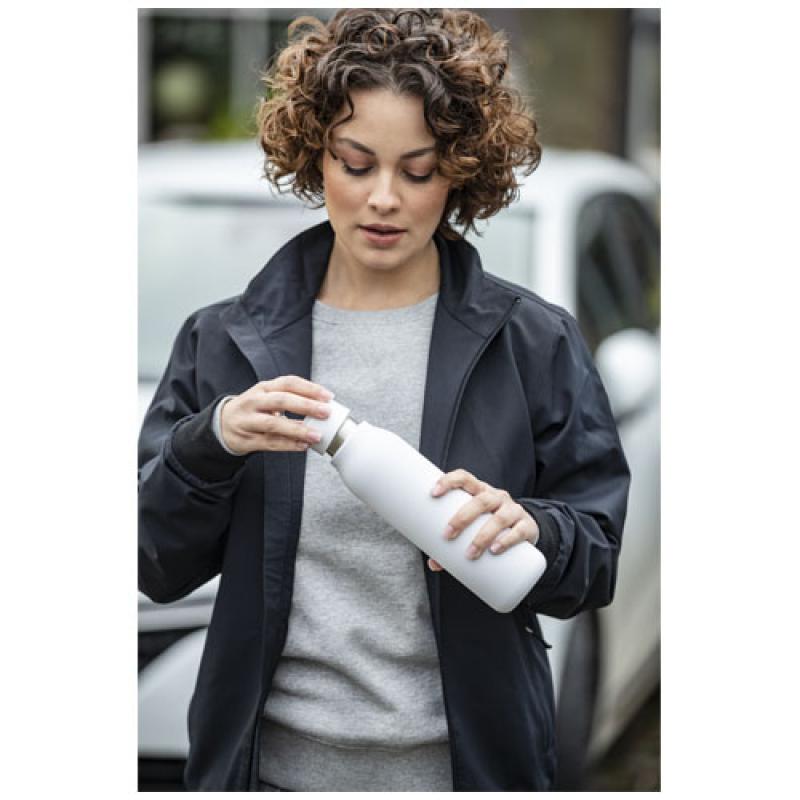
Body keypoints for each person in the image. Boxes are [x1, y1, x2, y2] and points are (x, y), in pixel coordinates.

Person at [138, 8, 630, 792]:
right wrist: (212, 442)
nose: (384, 199)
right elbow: (151, 562)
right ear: (315, 157)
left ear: (462, 168)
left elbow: (595, 559)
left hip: (466, 773)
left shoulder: (533, 342)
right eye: (356, 163)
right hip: (265, 774)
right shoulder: (223, 343)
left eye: (420, 169)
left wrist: (536, 525)